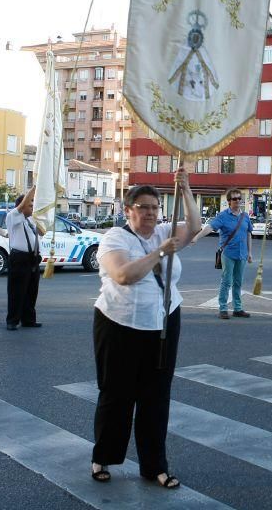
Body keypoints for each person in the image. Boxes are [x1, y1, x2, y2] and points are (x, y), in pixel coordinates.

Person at [91, 169, 200, 489]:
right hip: (119, 324)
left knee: (156, 396)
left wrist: (187, 189)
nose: (151, 213)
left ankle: (155, 466)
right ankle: (103, 457)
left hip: (163, 322)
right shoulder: (115, 238)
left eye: (155, 207)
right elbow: (124, 275)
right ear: (128, 210)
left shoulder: (163, 231)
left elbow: (193, 227)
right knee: (117, 395)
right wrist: (159, 252)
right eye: (143, 207)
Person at [193, 188, 253, 319]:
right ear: (229, 201)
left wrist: (250, 252)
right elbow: (210, 227)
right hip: (228, 253)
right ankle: (223, 308)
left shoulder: (245, 216)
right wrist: (197, 237)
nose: (237, 201)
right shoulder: (223, 216)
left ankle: (237, 308)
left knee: (238, 282)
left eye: (239, 198)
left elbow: (248, 234)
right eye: (234, 199)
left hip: (242, 254)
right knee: (226, 281)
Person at [5, 186, 45, 330]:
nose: (32, 207)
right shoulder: (13, 216)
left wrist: (39, 217)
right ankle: (12, 320)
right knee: (17, 291)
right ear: (21, 207)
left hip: (32, 258)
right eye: (30, 205)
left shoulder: (30, 220)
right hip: (19, 258)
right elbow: (23, 205)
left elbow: (42, 233)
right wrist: (35, 187)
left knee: (31, 291)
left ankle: (28, 319)